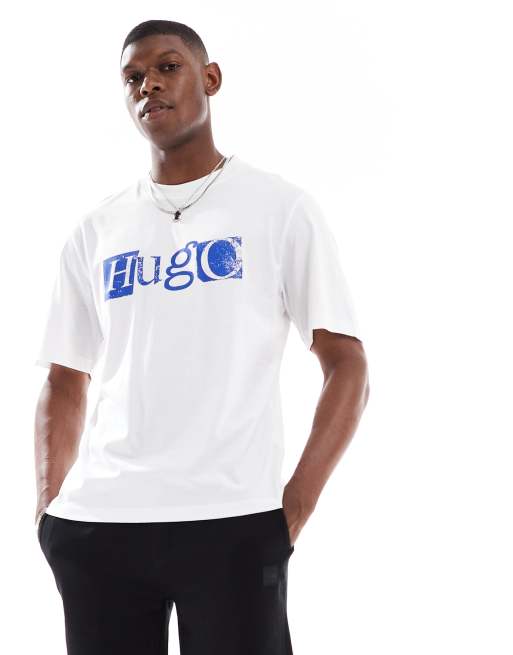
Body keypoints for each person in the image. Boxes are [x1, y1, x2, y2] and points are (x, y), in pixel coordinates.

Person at [34, 19, 370, 655]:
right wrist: (49, 509)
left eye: (168, 67)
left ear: (210, 78)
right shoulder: (97, 228)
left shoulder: (279, 208)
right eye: (133, 77)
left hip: (232, 523)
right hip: (101, 527)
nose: (149, 86)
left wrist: (294, 508)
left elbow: (346, 365)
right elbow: (64, 376)